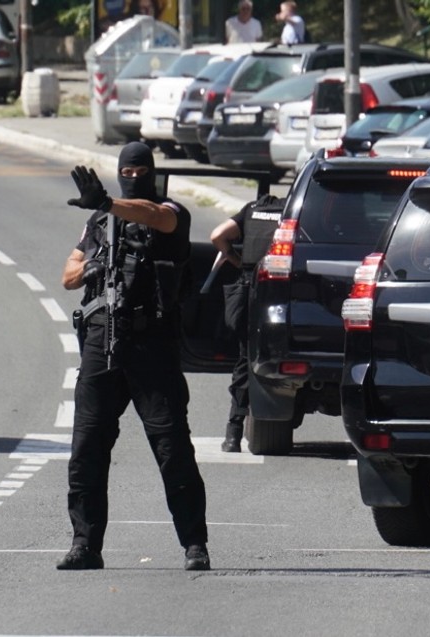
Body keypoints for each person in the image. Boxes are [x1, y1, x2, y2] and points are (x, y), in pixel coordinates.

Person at [58, 141, 210, 571]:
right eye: (128, 170)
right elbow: (68, 273)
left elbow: (153, 214)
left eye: (141, 170)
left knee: (171, 448)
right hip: (101, 344)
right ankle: (84, 544)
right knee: (86, 448)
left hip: (152, 346)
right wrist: (89, 267)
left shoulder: (171, 213)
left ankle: (194, 544)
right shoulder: (99, 222)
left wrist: (109, 200)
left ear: (152, 172)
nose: (134, 175)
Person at [210, 194, 283, 453]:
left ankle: (233, 433)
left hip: (249, 289)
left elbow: (217, 235)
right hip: (281, 296)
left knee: (245, 358)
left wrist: (236, 260)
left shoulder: (251, 210)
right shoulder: (291, 212)